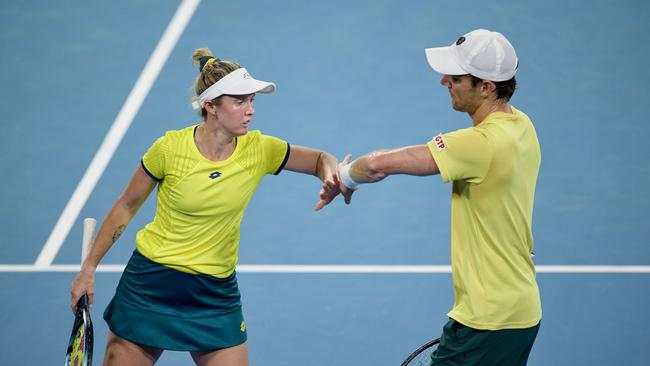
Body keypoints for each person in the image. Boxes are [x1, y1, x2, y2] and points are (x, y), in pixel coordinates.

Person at [70, 48, 343, 366]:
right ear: (211, 105)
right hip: (150, 285)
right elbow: (125, 207)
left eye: (252, 100)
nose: (250, 111)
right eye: (240, 101)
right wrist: (88, 269)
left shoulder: (260, 149)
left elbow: (320, 159)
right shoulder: (169, 148)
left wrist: (332, 177)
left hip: (213, 294)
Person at [333, 29, 542, 365]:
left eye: (456, 77)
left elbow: (377, 165)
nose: (444, 80)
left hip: (487, 321)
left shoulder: (479, 144)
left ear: (487, 87)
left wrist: (343, 177)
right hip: (519, 313)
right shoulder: (521, 125)